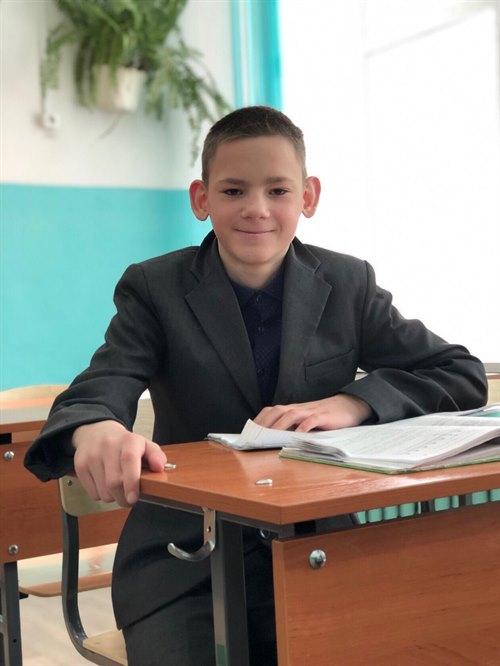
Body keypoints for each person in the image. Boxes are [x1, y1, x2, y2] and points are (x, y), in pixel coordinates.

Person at [25, 106, 487, 665]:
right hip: (185, 564)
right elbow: (102, 383)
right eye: (233, 190)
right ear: (202, 199)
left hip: (321, 550)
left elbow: (458, 372)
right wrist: (95, 428)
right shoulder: (154, 287)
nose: (257, 209)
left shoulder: (348, 283)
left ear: (308, 197)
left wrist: (354, 403)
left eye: (278, 190)